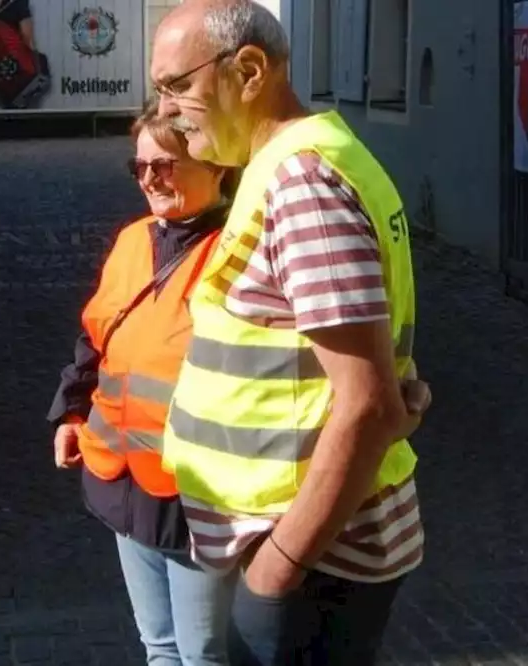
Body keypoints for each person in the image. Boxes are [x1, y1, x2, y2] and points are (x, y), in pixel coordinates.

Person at [150, 2, 431, 664]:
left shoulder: (301, 180)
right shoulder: (307, 160)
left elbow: (366, 403)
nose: (164, 110)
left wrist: (277, 565)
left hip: (310, 552)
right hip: (313, 539)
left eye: (176, 86)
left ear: (247, 70)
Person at [48, 101, 236, 665]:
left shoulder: (236, 248)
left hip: (196, 489)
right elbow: (96, 333)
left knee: (203, 653)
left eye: (166, 164)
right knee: (158, 646)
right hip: (120, 474)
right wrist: (71, 413)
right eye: (140, 166)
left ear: (216, 165)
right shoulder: (134, 239)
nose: (151, 178)